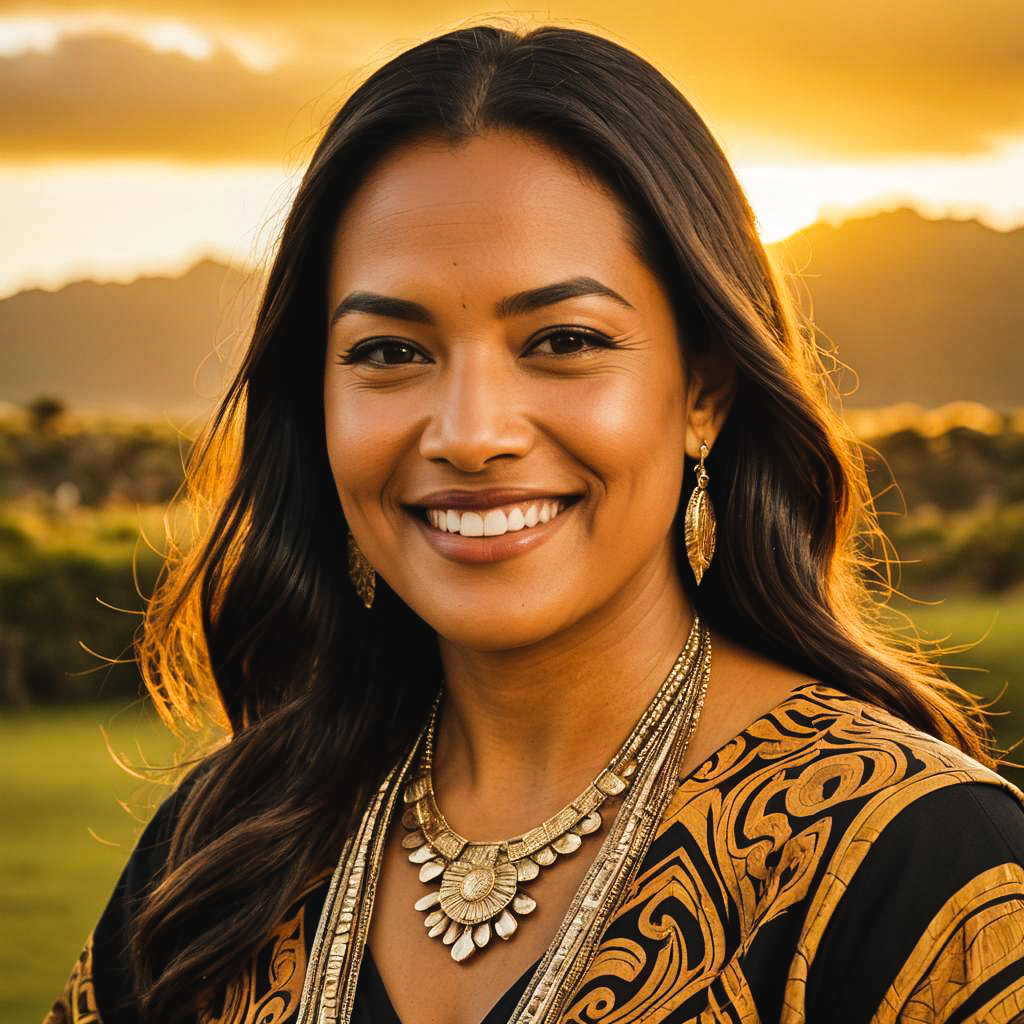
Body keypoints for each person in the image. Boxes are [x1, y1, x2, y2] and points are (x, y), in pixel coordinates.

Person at [46, 24, 1024, 1024]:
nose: (470, 434)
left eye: (562, 340)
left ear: (703, 390)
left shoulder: (917, 859)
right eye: (389, 351)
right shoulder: (222, 850)